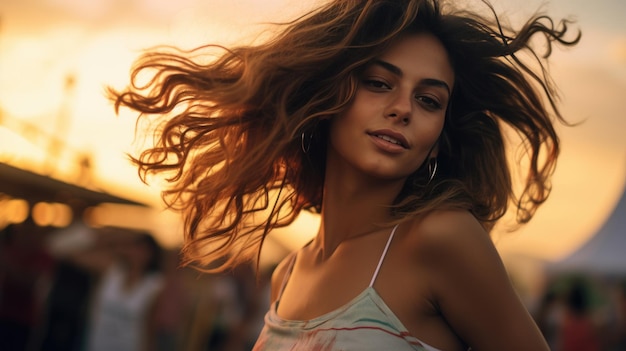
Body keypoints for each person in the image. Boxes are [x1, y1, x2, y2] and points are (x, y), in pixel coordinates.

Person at [109, 0, 581, 349]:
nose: (402, 109)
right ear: (328, 97)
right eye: (379, 83)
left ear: (438, 137)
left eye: (429, 100)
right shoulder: (288, 274)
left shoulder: (441, 240)